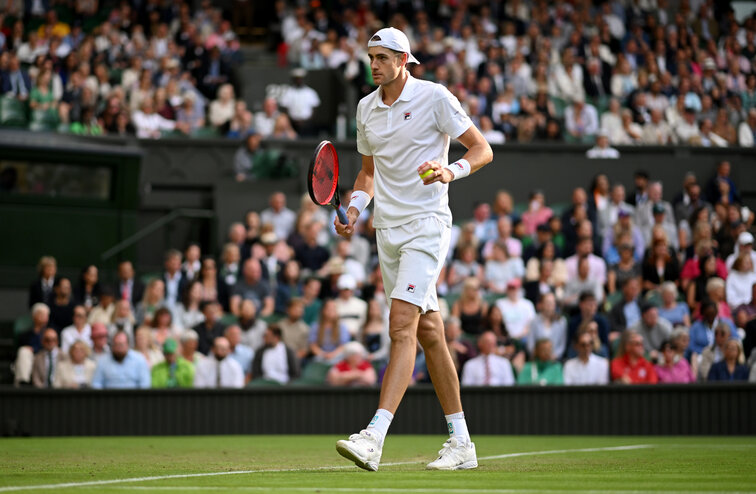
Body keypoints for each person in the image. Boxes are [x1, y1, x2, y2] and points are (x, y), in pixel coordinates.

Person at [334, 27, 493, 472]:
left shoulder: (436, 97)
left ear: (404, 61)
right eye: (371, 57)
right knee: (429, 333)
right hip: (387, 231)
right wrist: (354, 207)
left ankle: (374, 436)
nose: (374, 65)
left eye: (382, 58)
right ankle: (462, 443)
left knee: (401, 325)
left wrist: (450, 171)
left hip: (427, 226)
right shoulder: (365, 108)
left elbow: (482, 149)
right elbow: (367, 174)